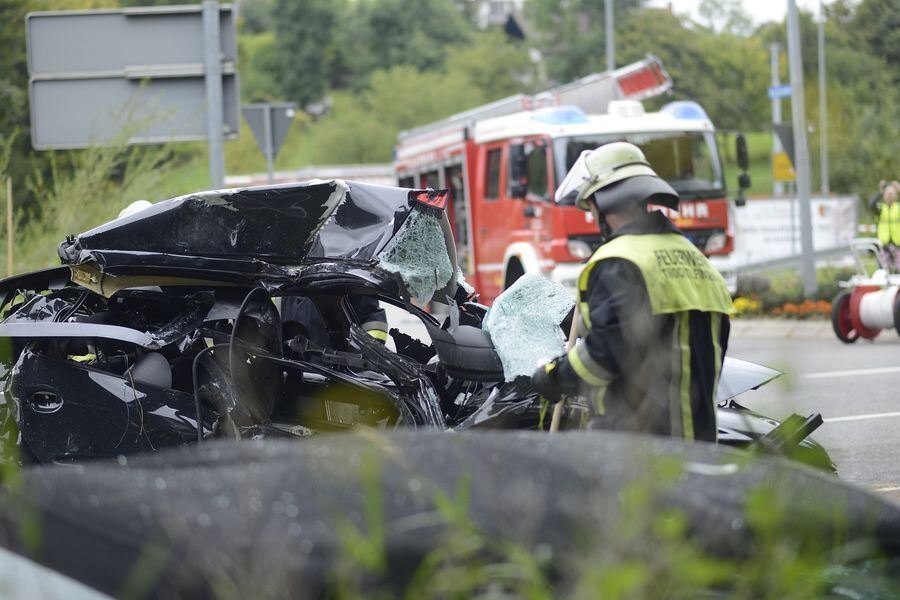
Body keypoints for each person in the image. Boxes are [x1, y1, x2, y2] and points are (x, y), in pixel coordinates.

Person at [531, 142, 734, 441]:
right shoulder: (695, 259)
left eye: (592, 207)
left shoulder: (619, 260)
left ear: (604, 201)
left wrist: (554, 376)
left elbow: (606, 354)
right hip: (699, 443)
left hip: (636, 450)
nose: (592, 216)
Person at [875, 181, 900, 270]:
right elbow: (871, 204)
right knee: (883, 271)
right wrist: (880, 191)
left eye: (892, 193)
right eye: (887, 193)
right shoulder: (880, 208)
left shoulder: (898, 207)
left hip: (897, 244)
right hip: (884, 245)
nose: (889, 195)